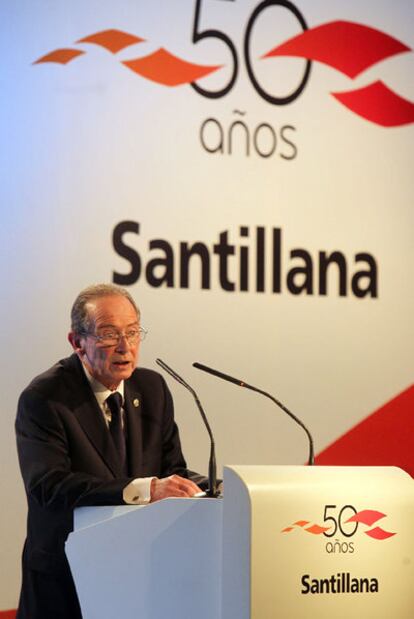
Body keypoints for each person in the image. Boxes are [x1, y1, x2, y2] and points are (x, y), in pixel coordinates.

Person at [15, 283, 207, 619]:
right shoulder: (45, 398)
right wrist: (146, 489)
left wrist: (218, 487)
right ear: (78, 343)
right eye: (108, 334)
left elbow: (171, 469)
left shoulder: (152, 388)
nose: (125, 347)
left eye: (133, 333)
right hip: (66, 581)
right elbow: (50, 485)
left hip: (138, 574)